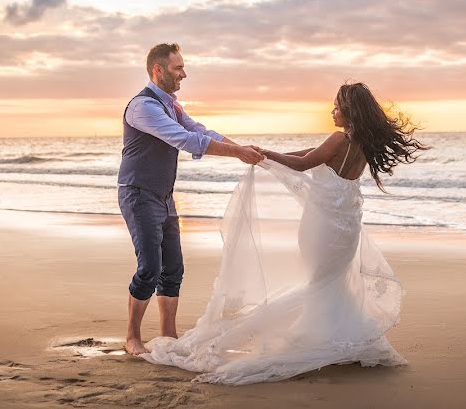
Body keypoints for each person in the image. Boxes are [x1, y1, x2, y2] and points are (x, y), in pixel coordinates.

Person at [142, 82, 428, 384]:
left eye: (335, 106)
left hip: (322, 228)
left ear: (349, 110)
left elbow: (303, 163)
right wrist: (266, 155)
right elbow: (310, 154)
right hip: (347, 229)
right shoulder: (362, 143)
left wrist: (267, 158)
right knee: (332, 283)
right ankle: (338, 337)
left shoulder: (338, 139)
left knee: (320, 283)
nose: (332, 110)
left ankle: (319, 338)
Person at [118, 43, 263, 356]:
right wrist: (238, 152)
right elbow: (185, 139)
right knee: (150, 268)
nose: (184, 73)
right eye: (178, 68)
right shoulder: (144, 107)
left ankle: (168, 336)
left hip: (164, 196)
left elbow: (199, 129)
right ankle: (132, 338)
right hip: (138, 193)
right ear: (158, 70)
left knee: (173, 269)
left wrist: (243, 149)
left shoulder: (172, 105)